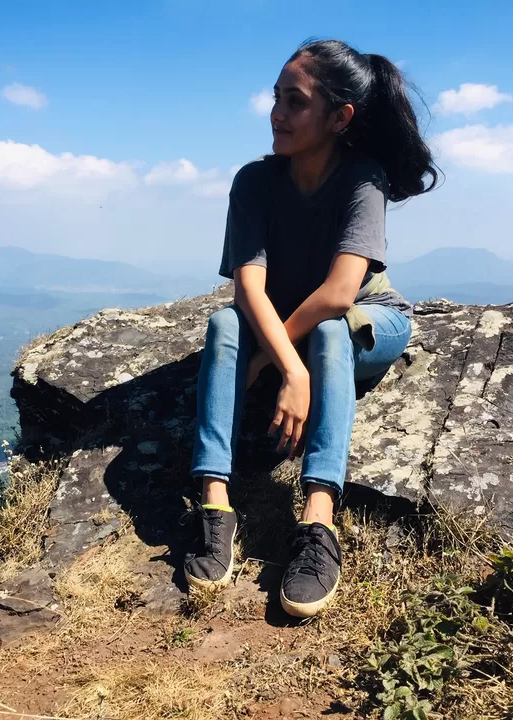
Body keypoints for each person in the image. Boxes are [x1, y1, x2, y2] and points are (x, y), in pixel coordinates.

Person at [184, 39, 439, 618]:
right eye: (276, 98)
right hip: (297, 329)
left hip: (370, 319)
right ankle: (215, 502)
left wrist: (273, 362)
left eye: (294, 102)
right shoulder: (254, 181)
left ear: (339, 117)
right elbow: (248, 289)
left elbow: (339, 294)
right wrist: (287, 367)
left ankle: (318, 517)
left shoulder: (362, 181)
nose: (277, 113)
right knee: (225, 324)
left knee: (329, 332)